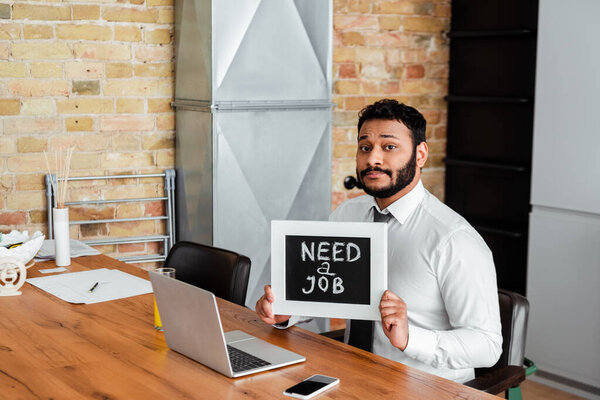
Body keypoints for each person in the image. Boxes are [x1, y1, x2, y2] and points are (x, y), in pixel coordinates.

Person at [255, 99, 502, 383]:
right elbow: (325, 291)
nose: (373, 159)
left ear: (420, 155)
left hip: (425, 388)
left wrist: (411, 338)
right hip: (350, 376)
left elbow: (488, 346)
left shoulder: (454, 240)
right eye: (365, 147)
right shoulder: (347, 215)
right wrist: (287, 311)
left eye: (389, 147)